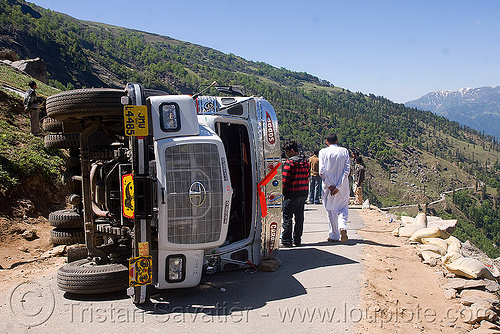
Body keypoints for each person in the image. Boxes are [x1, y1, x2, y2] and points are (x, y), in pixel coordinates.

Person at [319, 133, 350, 243]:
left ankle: (334, 235)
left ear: (327, 141)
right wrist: (339, 186)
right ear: (337, 140)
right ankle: (342, 227)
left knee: (331, 210)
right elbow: (347, 170)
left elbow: (321, 171)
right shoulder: (344, 151)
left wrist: (330, 186)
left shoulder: (323, 152)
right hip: (342, 187)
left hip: (328, 187)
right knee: (342, 208)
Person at [281, 140, 309, 247]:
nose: (287, 154)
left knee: (287, 217)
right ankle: (297, 239)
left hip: (291, 193)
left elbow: (285, 179)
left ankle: (286, 240)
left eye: (287, 151)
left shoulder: (290, 163)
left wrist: (282, 191)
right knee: (299, 218)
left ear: (292, 151)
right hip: (303, 193)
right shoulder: (305, 162)